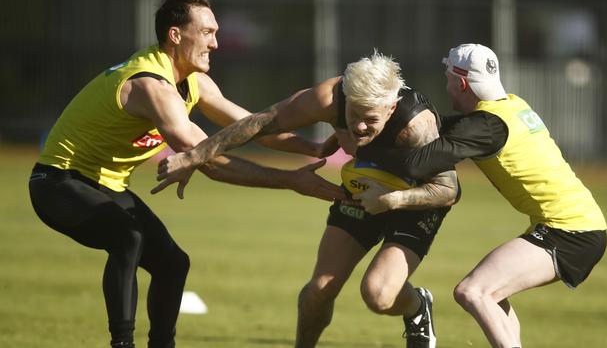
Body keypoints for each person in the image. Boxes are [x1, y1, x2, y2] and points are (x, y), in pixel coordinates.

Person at [28, 0, 346, 348]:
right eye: (207, 32)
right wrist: (291, 181)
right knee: (127, 236)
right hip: (57, 183)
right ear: (176, 36)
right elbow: (208, 160)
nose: (216, 42)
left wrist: (312, 148)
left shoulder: (195, 81)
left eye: (216, 32)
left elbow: (252, 127)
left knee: (173, 263)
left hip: (107, 187)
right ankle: (122, 343)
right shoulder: (153, 86)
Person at [153, 51, 460, 348]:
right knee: (318, 292)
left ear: (391, 108)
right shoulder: (329, 98)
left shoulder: (417, 126)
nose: (360, 126)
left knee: (378, 294)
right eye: (354, 114)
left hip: (416, 200)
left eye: (370, 118)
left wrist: (392, 200)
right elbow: (261, 122)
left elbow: (448, 191)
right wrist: (193, 156)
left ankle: (417, 306)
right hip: (363, 188)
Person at [351, 43, 607, 348]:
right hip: (575, 226)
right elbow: (445, 127)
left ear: (461, 83)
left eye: (448, 78)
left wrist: (364, 150)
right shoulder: (510, 106)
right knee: (491, 295)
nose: (446, 85)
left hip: (570, 232)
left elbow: (417, 165)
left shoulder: (484, 126)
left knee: (473, 291)